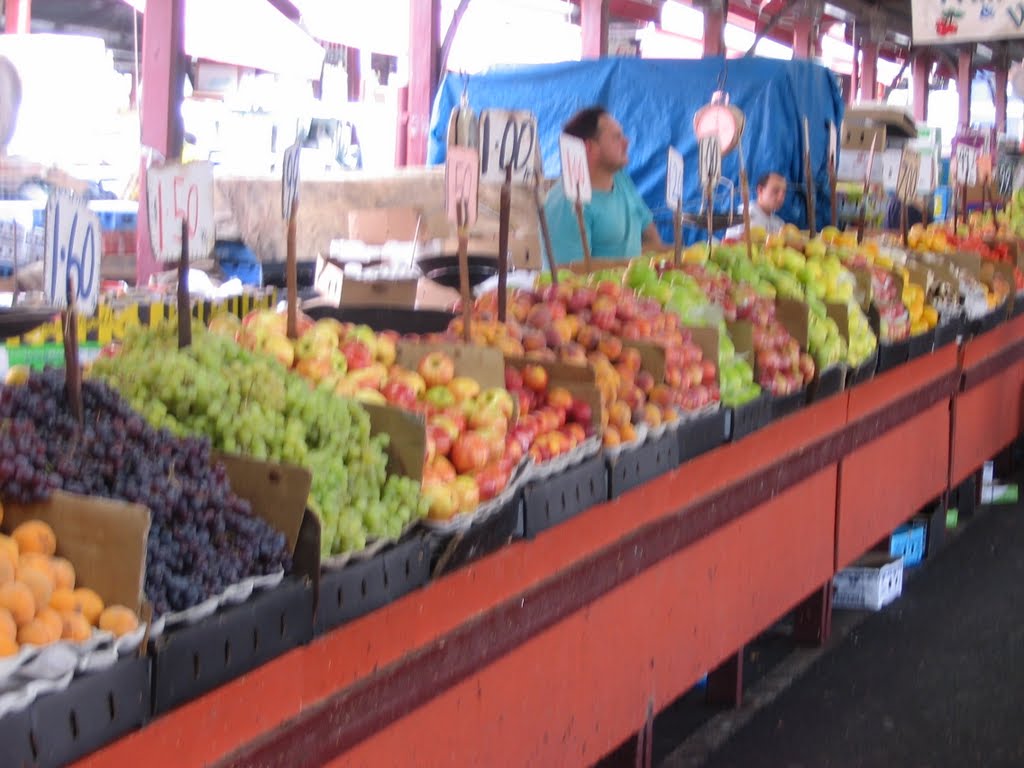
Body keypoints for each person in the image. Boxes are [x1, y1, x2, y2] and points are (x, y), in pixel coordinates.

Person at [544, 106, 664, 265]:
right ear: (589, 147)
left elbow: (650, 236)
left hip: (636, 287)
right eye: (616, 137)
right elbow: (569, 273)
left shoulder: (621, 180)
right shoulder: (566, 202)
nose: (626, 142)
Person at [726, 171, 787, 239]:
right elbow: (729, 242)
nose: (781, 198)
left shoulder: (779, 224)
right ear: (760, 190)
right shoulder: (744, 213)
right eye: (775, 191)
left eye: (783, 193)